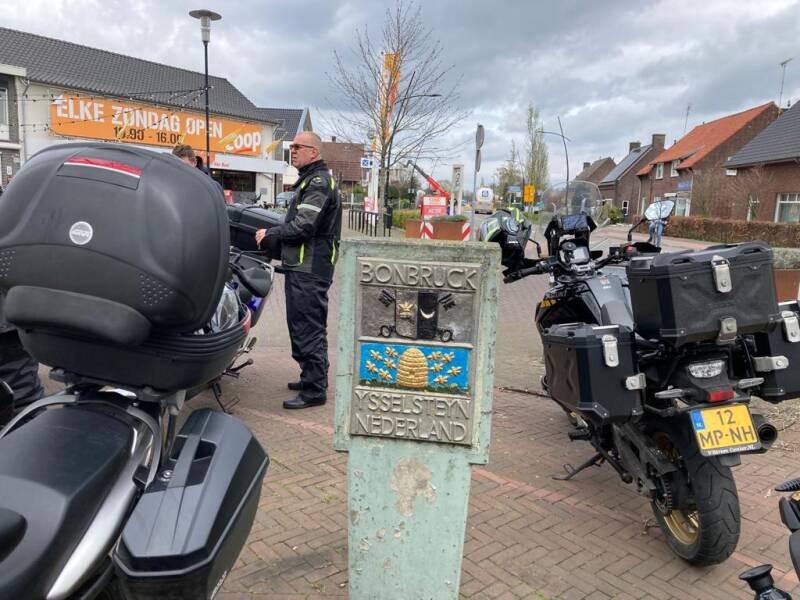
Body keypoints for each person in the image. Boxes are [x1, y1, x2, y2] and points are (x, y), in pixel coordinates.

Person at [255, 132, 341, 409]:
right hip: (304, 266)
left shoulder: (318, 183)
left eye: (297, 147)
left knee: (308, 327)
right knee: (305, 324)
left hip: (310, 269)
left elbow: (304, 226)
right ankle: (311, 377)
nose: (292, 150)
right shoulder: (311, 180)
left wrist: (271, 234)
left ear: (313, 152)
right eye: (291, 146)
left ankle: (315, 390)